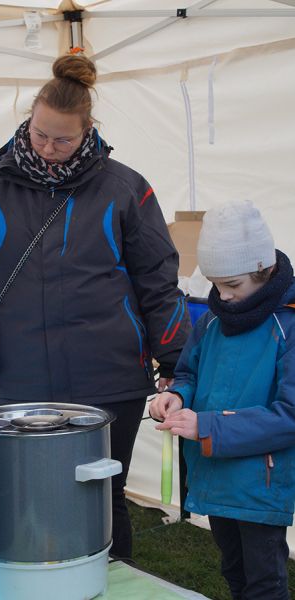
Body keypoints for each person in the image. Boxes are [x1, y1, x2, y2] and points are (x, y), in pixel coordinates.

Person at [0, 54, 190, 559]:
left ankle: (109, 582)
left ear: (88, 132)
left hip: (110, 376)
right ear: (27, 121)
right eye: (39, 135)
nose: (49, 149)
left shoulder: (125, 187)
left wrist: (175, 364)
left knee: (103, 492)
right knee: (28, 493)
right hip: (23, 375)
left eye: (63, 140)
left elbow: (158, 282)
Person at [150, 200, 295, 599]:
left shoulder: (289, 324)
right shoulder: (212, 320)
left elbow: (290, 415)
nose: (223, 295)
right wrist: (177, 396)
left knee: (263, 583)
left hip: (259, 482)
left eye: (233, 285)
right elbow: (189, 373)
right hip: (213, 472)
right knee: (233, 570)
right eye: (215, 284)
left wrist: (207, 425)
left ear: (264, 271)